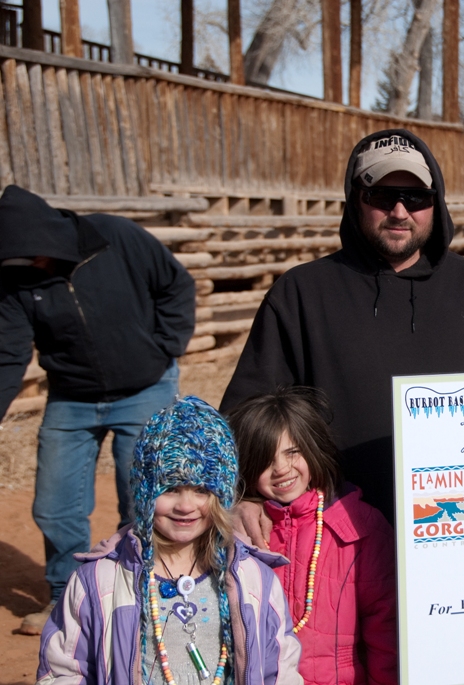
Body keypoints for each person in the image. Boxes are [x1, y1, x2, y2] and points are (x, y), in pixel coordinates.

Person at [220, 129, 464, 530]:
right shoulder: (301, 293)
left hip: (459, 529)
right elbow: (249, 413)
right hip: (333, 537)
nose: (400, 211)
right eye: (383, 197)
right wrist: (244, 495)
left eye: (416, 198)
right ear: (355, 199)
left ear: (436, 203)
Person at [0, 185, 195, 634]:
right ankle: (68, 600)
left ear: (49, 236)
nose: (33, 267)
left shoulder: (116, 236)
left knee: (144, 497)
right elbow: (8, 353)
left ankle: (141, 595)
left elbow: (175, 285)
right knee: (54, 505)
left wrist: (166, 347)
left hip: (145, 387)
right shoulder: (14, 275)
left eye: (36, 256)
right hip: (71, 396)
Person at [35, 396, 302, 685]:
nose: (186, 506)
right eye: (171, 488)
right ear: (144, 493)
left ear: (222, 496)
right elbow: (64, 672)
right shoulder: (100, 582)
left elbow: (280, 671)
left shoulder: (253, 580)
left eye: (201, 490)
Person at [229, 387, 397, 685]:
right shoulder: (239, 533)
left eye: (292, 452)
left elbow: (385, 632)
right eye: (266, 459)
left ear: (313, 447)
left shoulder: (362, 528)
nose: (281, 469)